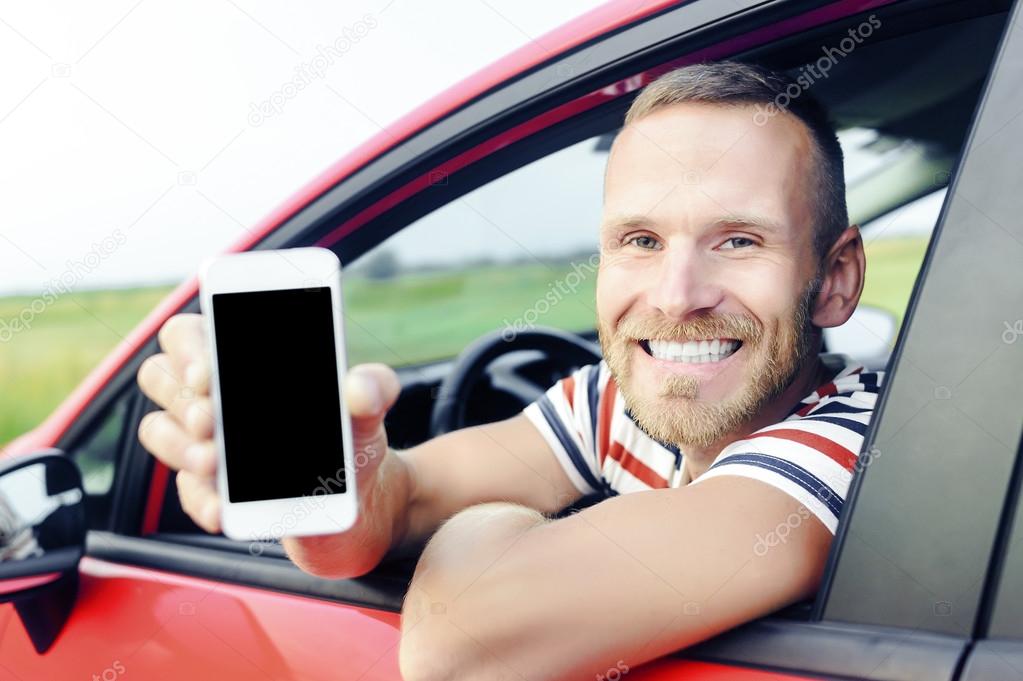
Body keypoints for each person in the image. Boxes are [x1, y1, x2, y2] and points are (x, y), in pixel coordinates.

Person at [137, 61, 883, 680]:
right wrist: (341, 490)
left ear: (835, 276)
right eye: (640, 239)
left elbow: (460, 641)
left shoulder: (857, 444)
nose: (676, 295)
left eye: (738, 240)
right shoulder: (615, 398)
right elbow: (399, 500)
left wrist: (495, 518)